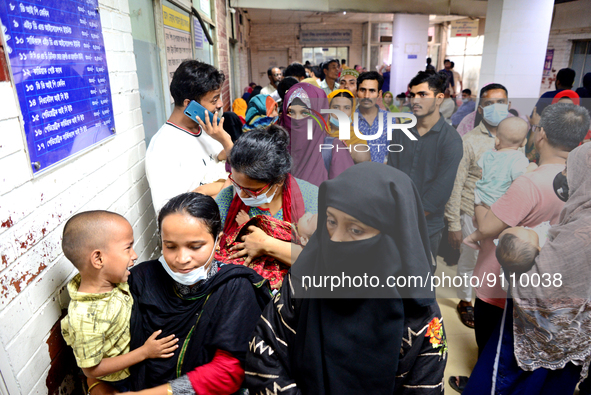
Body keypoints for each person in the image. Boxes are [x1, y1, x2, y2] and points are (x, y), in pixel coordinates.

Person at [244, 162, 446, 395]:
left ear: (394, 236)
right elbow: (264, 351)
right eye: (331, 222)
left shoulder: (420, 316)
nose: (336, 240)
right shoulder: (306, 278)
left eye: (356, 230)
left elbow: (424, 388)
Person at [450, 102, 590, 393]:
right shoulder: (581, 179)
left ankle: (481, 381)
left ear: (540, 135)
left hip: (503, 281)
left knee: (494, 347)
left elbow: (488, 226)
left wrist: (479, 197)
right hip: (553, 292)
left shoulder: (529, 182)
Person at [121, 192, 273, 394]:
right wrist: (98, 385)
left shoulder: (235, 287)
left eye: (195, 246)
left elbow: (226, 372)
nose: (182, 258)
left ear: (217, 241)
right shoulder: (142, 278)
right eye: (170, 246)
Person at [60, 211, 179, 392]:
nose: (135, 255)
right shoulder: (86, 318)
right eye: (128, 248)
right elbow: (91, 369)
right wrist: (144, 353)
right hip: (120, 378)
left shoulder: (110, 281)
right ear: (99, 259)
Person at [215, 126, 319, 284]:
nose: (241, 195)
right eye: (236, 184)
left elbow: (324, 262)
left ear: (279, 181)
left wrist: (266, 244)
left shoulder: (311, 199)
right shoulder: (226, 200)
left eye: (252, 191)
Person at [445, 83, 512, 329]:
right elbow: (456, 183)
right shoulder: (470, 141)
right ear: (481, 109)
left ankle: (491, 300)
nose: (496, 108)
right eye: (489, 103)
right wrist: (453, 223)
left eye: (501, 102)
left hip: (507, 212)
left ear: (509, 105)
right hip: (471, 212)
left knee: (499, 261)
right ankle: (465, 300)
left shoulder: (517, 137)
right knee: (469, 260)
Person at [387, 71, 463, 271]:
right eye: (412, 95)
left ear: (439, 98)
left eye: (422, 95)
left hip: (426, 227)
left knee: (420, 283)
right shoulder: (401, 132)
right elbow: (391, 175)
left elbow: (441, 190)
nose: (415, 100)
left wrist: (409, 216)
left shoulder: (451, 140)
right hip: (394, 221)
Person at [145, 60, 232, 212]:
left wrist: (225, 140)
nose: (220, 104)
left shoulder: (208, 129)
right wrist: (228, 192)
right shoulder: (163, 147)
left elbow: (233, 165)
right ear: (189, 104)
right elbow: (171, 213)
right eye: (214, 99)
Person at [463, 117, 537, 249]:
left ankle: (473, 232)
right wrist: (531, 167)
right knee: (492, 231)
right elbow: (520, 179)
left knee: (482, 224)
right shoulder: (519, 159)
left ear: (497, 140)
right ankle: (472, 238)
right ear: (523, 142)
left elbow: (481, 168)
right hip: (497, 202)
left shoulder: (488, 154)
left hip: (479, 198)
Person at [278, 82, 354, 186]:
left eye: (305, 112)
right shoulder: (274, 148)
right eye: (291, 112)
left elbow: (346, 194)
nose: (297, 119)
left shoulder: (333, 150)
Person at [327, 89, 371, 163]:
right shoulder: (318, 134)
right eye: (336, 107)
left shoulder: (357, 138)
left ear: (352, 111)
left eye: (346, 108)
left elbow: (364, 169)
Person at [355, 71, 390, 163]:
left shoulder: (390, 120)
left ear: (379, 94)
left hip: (383, 175)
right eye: (363, 90)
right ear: (356, 92)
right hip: (355, 175)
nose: (366, 96)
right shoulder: (348, 120)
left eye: (372, 91)